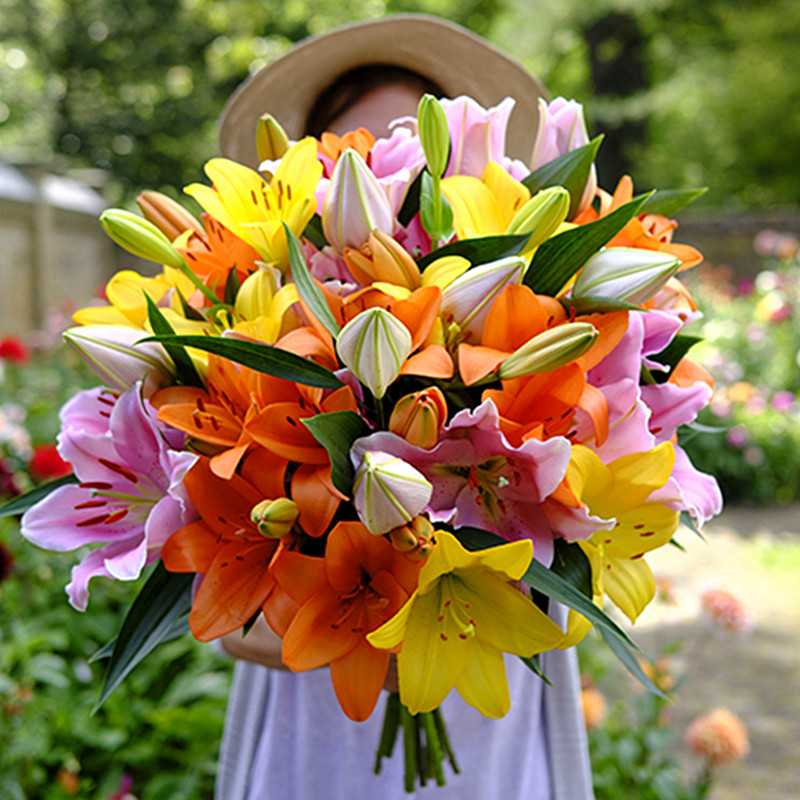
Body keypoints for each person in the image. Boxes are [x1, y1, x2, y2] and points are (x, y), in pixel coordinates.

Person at [214, 15, 595, 800]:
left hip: (485, 632)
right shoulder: (266, 308)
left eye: (409, 154)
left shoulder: (518, 292)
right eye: (352, 152)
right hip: (324, 668)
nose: (380, 172)